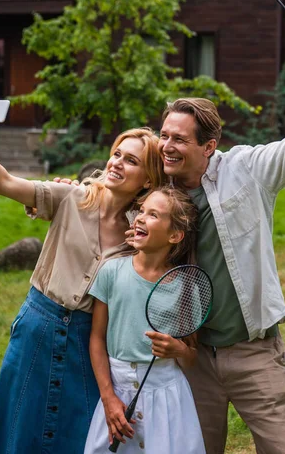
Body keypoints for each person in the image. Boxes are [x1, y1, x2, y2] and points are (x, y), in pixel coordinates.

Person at [156, 38, 285, 454]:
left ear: (208, 147)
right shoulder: (154, 194)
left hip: (253, 350)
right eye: (164, 135)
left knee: (281, 448)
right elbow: (103, 194)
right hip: (192, 355)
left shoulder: (246, 169)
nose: (167, 145)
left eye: (179, 139)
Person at [0, 96, 165, 454]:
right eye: (117, 153)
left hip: (86, 342)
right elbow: (4, 183)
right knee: (20, 423)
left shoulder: (139, 234)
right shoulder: (73, 197)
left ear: (147, 178)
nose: (117, 163)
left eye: (131, 160)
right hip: (38, 328)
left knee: (76, 431)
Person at [84, 186, 206, 454]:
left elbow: (191, 356)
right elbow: (96, 338)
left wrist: (180, 350)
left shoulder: (187, 287)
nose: (140, 217)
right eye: (141, 210)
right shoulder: (111, 272)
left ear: (175, 235)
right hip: (117, 392)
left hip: (167, 397)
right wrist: (108, 399)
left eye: (153, 215)